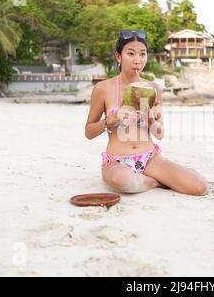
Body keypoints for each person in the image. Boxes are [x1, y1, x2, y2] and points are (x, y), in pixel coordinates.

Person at [85, 29, 207, 195]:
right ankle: (155, 182)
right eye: (130, 53)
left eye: (142, 54)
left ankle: (148, 178)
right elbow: (89, 132)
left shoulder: (153, 88)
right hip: (117, 161)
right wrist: (109, 120)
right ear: (118, 56)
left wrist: (151, 121)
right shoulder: (103, 89)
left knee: (199, 186)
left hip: (150, 158)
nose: (137, 60)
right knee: (121, 180)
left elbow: (159, 133)